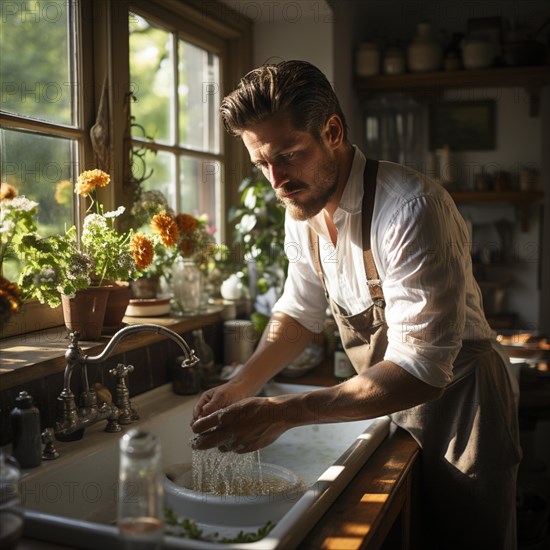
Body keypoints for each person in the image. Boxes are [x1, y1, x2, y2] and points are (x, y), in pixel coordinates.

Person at [191, 60, 521, 549]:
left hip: (462, 412)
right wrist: (242, 384)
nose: (276, 180)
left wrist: (283, 412)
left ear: (332, 131)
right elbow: (299, 315)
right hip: (384, 405)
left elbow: (421, 369)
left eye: (288, 155)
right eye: (262, 164)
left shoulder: (410, 208)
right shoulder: (300, 211)